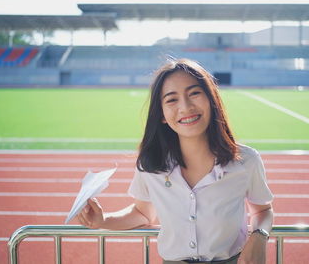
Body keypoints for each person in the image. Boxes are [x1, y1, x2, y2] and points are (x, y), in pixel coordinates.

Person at [77, 58, 274, 264]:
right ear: (161, 114)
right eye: (172, 100)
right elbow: (142, 213)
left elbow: (263, 210)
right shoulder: (150, 164)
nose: (185, 107)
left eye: (194, 93)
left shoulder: (246, 161)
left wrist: (259, 236)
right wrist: (102, 220)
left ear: (211, 99)